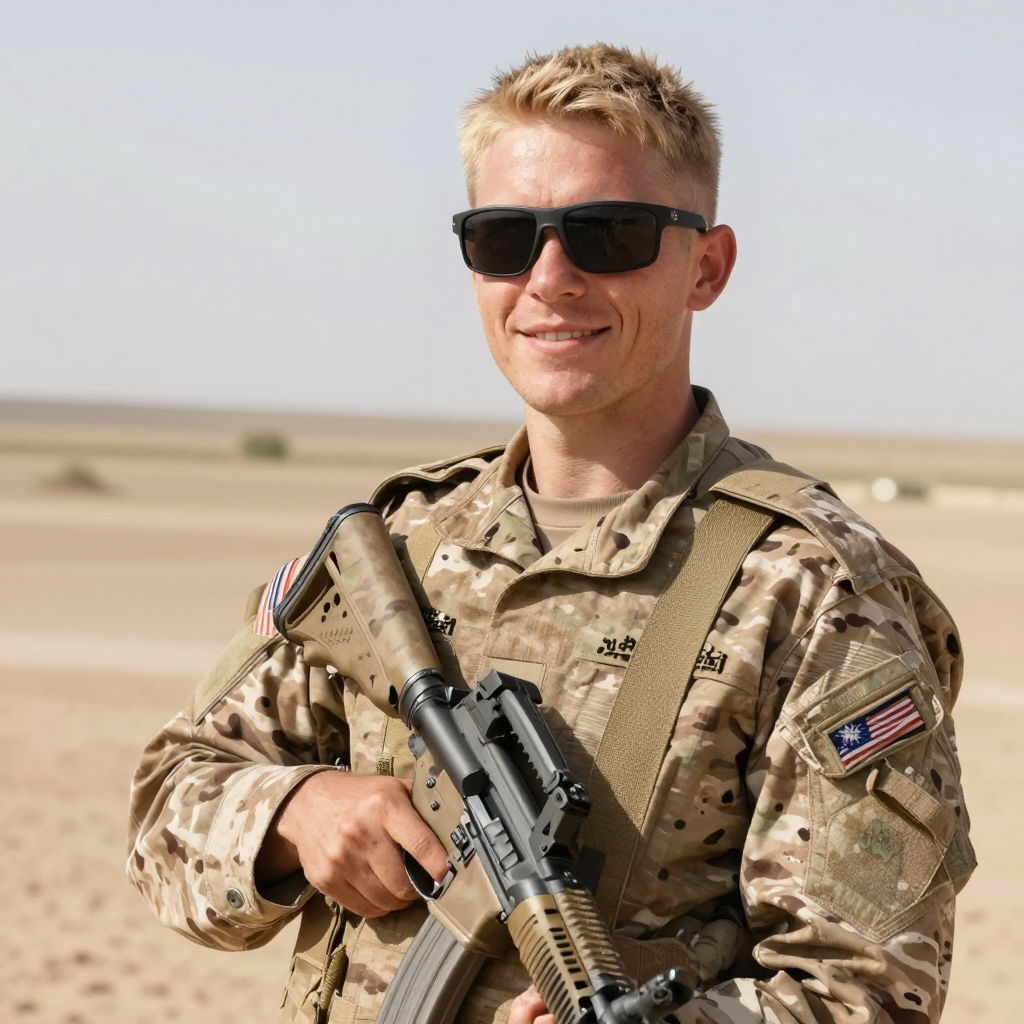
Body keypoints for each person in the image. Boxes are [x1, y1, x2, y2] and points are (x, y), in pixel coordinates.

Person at [127, 43, 974, 1024]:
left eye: (608, 234)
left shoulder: (811, 589)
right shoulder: (398, 553)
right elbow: (165, 807)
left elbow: (871, 988)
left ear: (707, 266)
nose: (550, 277)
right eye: (503, 238)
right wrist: (292, 813)